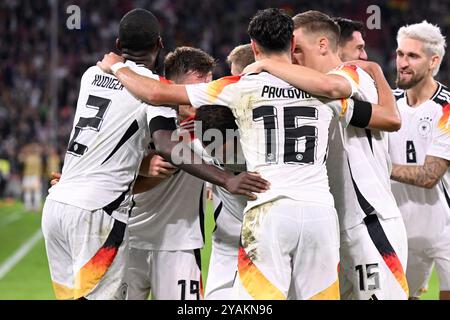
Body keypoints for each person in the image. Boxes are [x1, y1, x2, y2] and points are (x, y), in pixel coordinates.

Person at [97, 8, 379, 300]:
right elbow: (386, 117)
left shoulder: (240, 85)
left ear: (255, 48)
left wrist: (118, 67)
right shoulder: (332, 84)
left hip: (271, 209)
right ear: (292, 46)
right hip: (320, 211)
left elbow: (154, 94)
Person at [42, 9, 269, 300]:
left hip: (172, 241)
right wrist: (147, 168)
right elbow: (166, 147)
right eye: (198, 85)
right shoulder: (155, 100)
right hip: (118, 224)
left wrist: (76, 179)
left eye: (210, 82)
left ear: (118, 42)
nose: (205, 92)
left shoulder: (92, 74)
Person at [243, 10, 408, 300]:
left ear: (321, 45)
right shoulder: (313, 89)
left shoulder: (346, 79)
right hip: (334, 226)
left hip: (369, 221)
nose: (291, 58)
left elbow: (390, 118)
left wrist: (266, 63)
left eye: (296, 50)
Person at [124, 46, 215, 300]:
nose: (202, 98)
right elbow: (110, 165)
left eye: (208, 89)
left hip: (180, 245)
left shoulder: (211, 128)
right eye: (195, 90)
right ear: (170, 85)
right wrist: (142, 166)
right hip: (131, 241)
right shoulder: (141, 118)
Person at [388, 21, 450, 300]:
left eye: (412, 56)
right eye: (400, 54)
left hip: (445, 231)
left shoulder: (447, 108)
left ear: (433, 61)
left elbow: (429, 176)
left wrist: (381, 168)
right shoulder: (387, 105)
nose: (402, 62)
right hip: (401, 229)